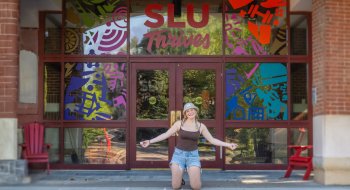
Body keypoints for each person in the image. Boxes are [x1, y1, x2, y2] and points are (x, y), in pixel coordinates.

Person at [140, 102, 238, 190]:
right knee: (176, 186)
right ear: (185, 114)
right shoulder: (179, 124)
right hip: (179, 156)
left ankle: (195, 171)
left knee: (196, 187)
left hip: (193, 157)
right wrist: (150, 141)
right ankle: (178, 174)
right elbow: (165, 135)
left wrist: (228, 144)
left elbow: (212, 140)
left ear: (196, 111)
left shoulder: (201, 126)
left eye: (192, 110)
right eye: (187, 111)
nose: (190, 112)